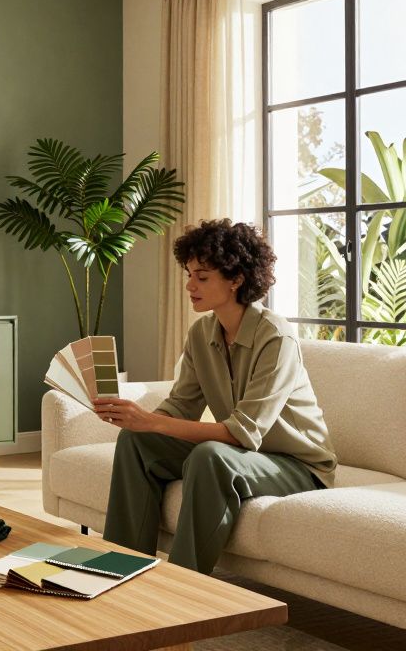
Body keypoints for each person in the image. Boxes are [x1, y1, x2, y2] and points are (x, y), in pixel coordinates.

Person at [93, 219, 337, 574]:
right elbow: (182, 406)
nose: (190, 286)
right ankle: (119, 567)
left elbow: (242, 432)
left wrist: (152, 421)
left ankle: (183, 585)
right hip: (243, 455)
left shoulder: (276, 338)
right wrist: (134, 419)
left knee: (210, 457)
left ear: (236, 279)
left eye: (202, 277)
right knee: (137, 441)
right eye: (189, 274)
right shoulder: (201, 333)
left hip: (297, 466)